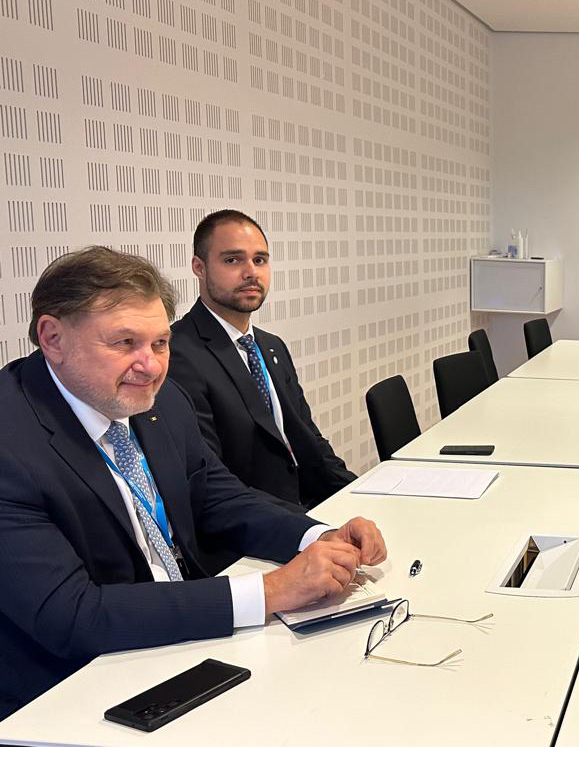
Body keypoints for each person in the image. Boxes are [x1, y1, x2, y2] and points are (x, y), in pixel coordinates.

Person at [0, 247, 387, 720]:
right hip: (69, 692)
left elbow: (218, 497)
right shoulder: (10, 441)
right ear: (52, 337)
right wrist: (270, 592)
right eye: (124, 343)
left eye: (160, 343)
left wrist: (317, 536)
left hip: (178, 643)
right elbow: (72, 615)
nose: (151, 366)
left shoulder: (159, 400)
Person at [168, 210, 355, 509]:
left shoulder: (271, 346)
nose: (251, 272)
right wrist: (308, 529)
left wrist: (360, 493)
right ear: (199, 267)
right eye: (232, 260)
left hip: (310, 507)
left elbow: (310, 441)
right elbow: (213, 481)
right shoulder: (178, 354)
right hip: (256, 527)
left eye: (260, 260)